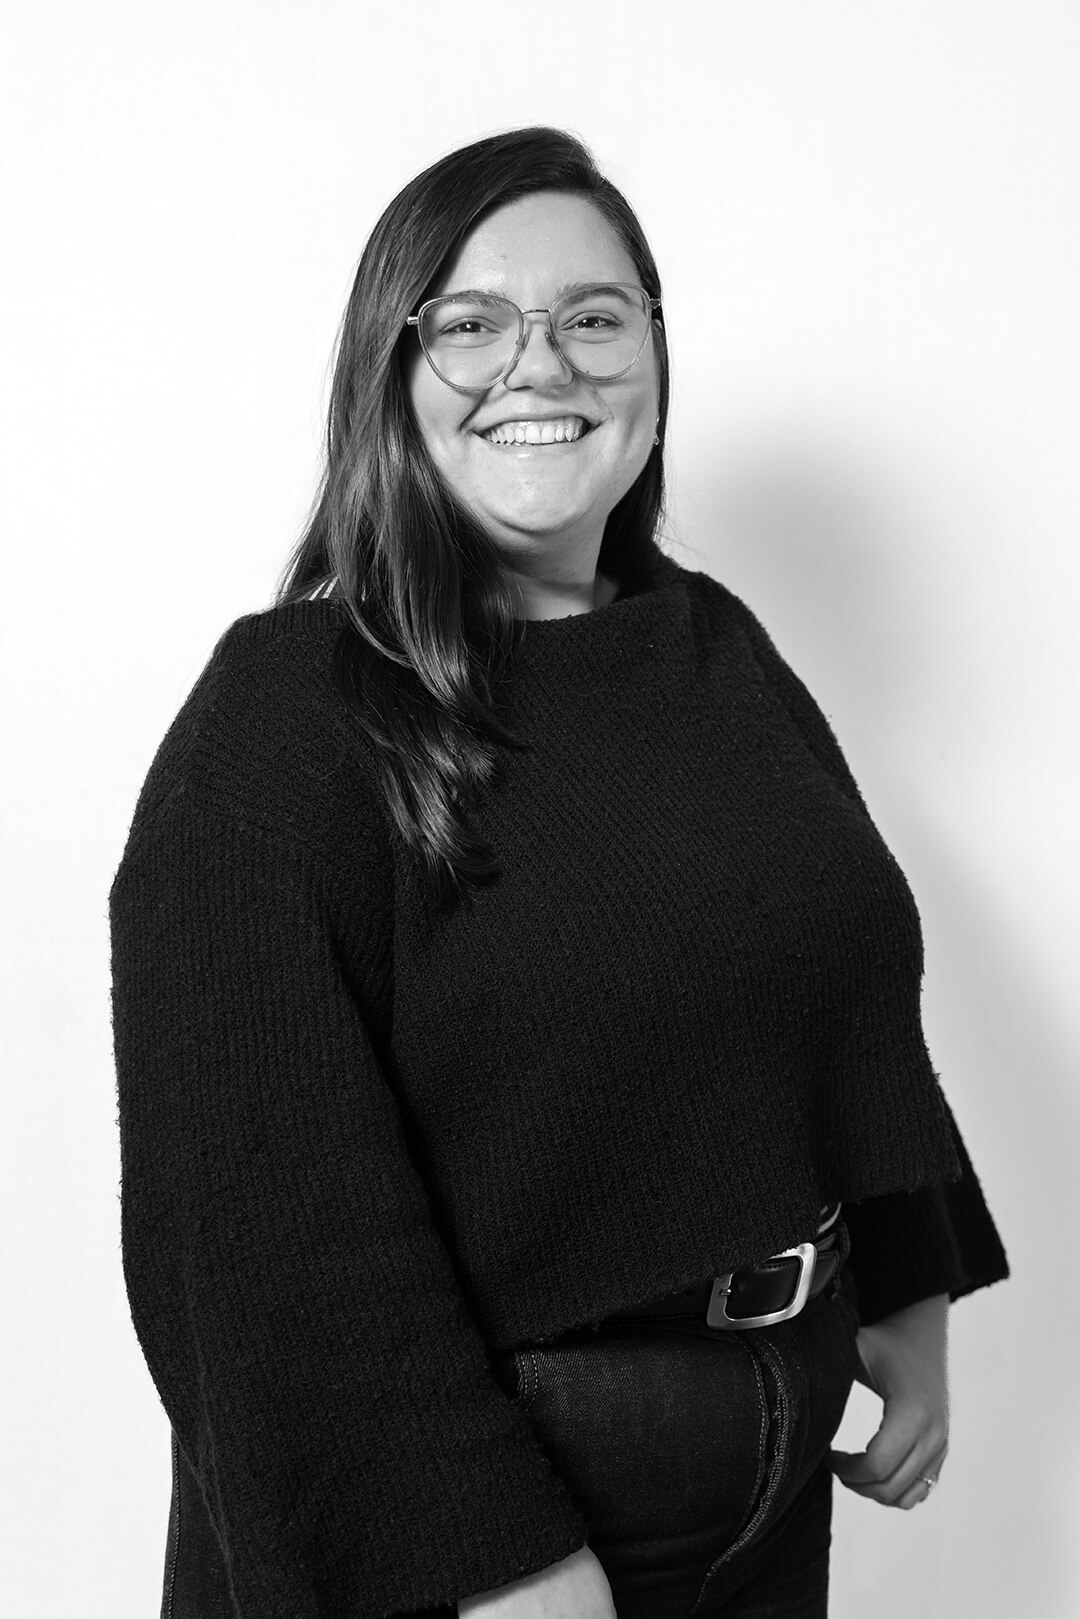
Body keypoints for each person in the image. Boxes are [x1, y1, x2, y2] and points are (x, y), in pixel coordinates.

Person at [108, 127, 1009, 1619]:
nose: (542, 364)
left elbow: (837, 977)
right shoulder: (286, 718)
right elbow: (254, 1225)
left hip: (771, 1470)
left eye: (594, 317)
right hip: (507, 1516)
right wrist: (482, 1558)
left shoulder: (708, 645)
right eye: (471, 323)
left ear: (656, 356)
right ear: (389, 372)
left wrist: (907, 1276)